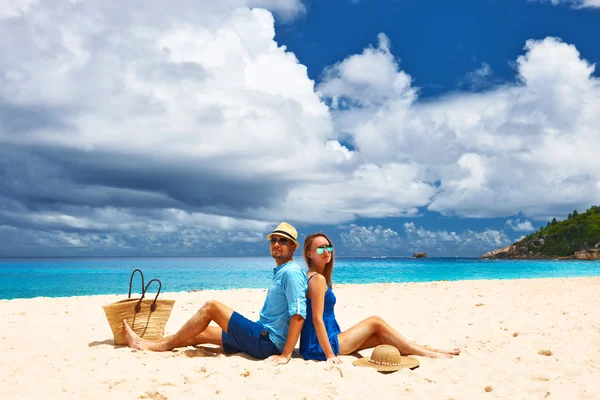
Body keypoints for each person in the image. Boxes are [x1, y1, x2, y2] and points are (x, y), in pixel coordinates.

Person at [123, 222, 307, 365]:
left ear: (292, 247)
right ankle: (147, 342)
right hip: (260, 334)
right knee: (196, 334)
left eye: (283, 241)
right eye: (273, 240)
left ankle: (155, 345)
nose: (276, 244)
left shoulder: (291, 273)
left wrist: (285, 354)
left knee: (211, 307)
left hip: (267, 342)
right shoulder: (282, 271)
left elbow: (298, 313)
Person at [299, 232, 461, 367]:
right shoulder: (318, 279)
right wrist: (329, 355)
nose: (327, 251)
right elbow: (317, 319)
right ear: (309, 254)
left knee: (382, 338)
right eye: (321, 248)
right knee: (375, 321)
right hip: (321, 344)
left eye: (329, 247)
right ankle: (426, 352)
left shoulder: (315, 277)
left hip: (324, 338)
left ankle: (428, 349)